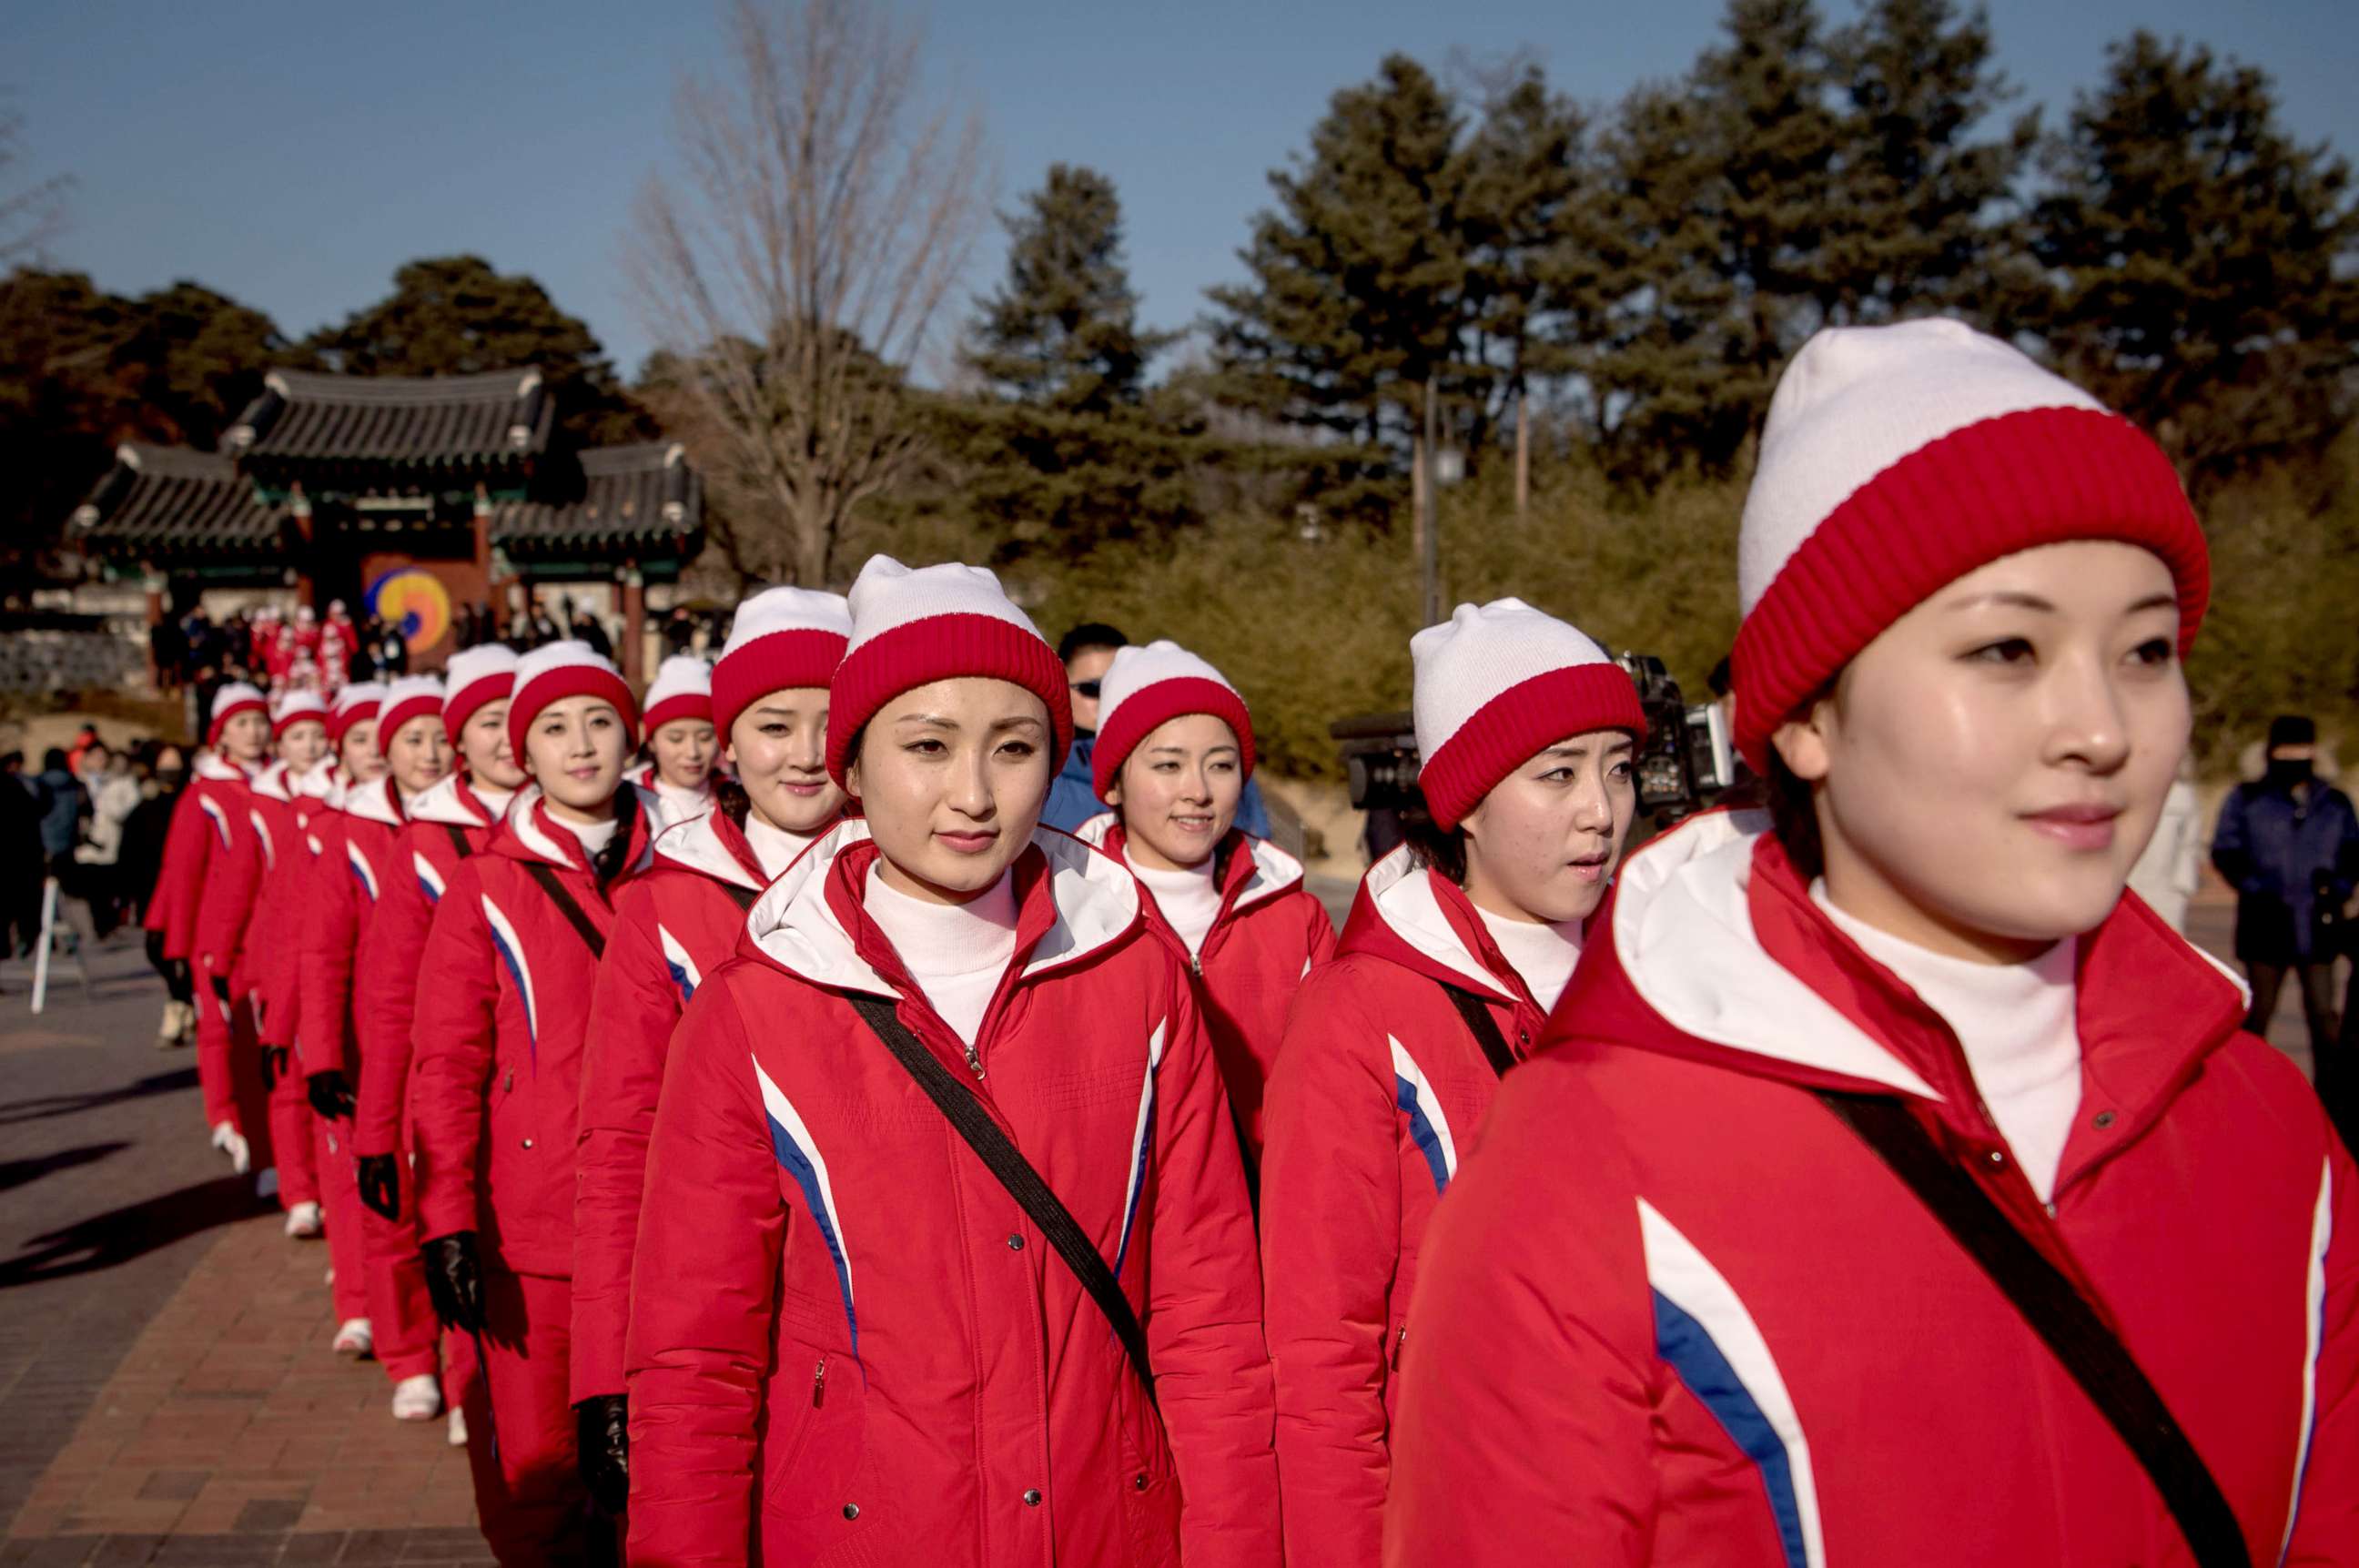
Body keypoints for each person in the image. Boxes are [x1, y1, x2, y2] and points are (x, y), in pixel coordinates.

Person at [1383, 319, 2357, 1563]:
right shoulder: (1586, 1163)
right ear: (1805, 719)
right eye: (2007, 646)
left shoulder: (2276, 1133)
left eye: (2148, 647)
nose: (2102, 725)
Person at [624, 558, 1278, 1565]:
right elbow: (698, 1358)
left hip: (1109, 1529)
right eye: (927, 745)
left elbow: (1210, 1319)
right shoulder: (756, 1007)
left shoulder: (1136, 977)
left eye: (1015, 747)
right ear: (851, 763)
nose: (972, 793)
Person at [1258, 601, 1643, 1564]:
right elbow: (1323, 1357)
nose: (1601, 809)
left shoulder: (1661, 977)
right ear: (1463, 801)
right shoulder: (1361, 1014)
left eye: (1619, 767)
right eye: (1558, 774)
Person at [570, 587, 853, 1528]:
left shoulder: (923, 888)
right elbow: (619, 1143)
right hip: (709, 1307)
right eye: (774, 725)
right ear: (726, 744)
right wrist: (606, 1368)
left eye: (830, 721)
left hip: (864, 1305)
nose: (806, 752)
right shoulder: (664, 904)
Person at [410, 641, 656, 1564]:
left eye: (598, 719)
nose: (581, 744)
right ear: (525, 749)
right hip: (534, 1226)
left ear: (630, 733)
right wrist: (446, 1220)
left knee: (655, 1463)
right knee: (539, 1464)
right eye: (553, 726)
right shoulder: (488, 881)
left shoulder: (677, 869)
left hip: (655, 1217)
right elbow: (447, 1060)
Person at [1072, 640, 1336, 1162]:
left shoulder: (1296, 919)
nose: (1197, 790)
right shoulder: (1070, 915)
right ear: (1114, 784)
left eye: (1220, 765)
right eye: (1168, 766)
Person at [352, 646, 522, 1439]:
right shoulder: (425, 842)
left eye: (517, 720)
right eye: (490, 722)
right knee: (457, 1217)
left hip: (542, 1089)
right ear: (462, 737)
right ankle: (459, 1378)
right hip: (452, 1076)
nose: (508, 739)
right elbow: (388, 999)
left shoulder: (587, 823)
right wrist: (376, 1130)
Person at [302, 677, 446, 1362]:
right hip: (375, 1042)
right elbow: (323, 951)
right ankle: (397, 1340)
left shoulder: (474, 826)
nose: (431, 753)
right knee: (378, 1185)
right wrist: (321, 1051)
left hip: (453, 1041)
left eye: (441, 737)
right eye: (412, 740)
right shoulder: (352, 831)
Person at [2212, 714, 2359, 1085]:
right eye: (2286, 749)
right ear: (2271, 752)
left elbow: (2353, 852)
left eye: (2302, 748)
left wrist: (2337, 889)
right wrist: (2255, 885)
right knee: (2258, 1014)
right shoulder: (2247, 799)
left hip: (2320, 925)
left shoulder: (2334, 802)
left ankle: (2332, 1103)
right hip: (2266, 923)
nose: (2294, 756)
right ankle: (2244, 1091)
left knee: (2325, 1018)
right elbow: (2226, 849)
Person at [247, 693, 337, 1243]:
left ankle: (330, 1198)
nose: (309, 746)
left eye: (316, 735)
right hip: (281, 958)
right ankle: (299, 1191)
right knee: (289, 1079)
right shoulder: (268, 805)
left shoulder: (339, 805)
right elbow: (259, 895)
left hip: (329, 960)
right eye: (296, 736)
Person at [1046, 622, 1273, 838]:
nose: (1199, 793)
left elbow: (1255, 836)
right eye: (1092, 688)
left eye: (1122, 685)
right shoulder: (1044, 774)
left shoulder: (1223, 760)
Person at [120, 744, 194, 1046]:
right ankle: (181, 998)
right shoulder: (145, 809)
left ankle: (179, 1008)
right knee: (156, 948)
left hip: (187, 890)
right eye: (165, 764)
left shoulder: (192, 803)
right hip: (152, 889)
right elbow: (129, 852)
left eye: (175, 764)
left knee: (187, 953)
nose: (169, 771)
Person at [632, 653, 718, 829]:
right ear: (652, 742)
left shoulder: (741, 797)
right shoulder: (628, 798)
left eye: (705, 738)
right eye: (676, 739)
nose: (692, 752)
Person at [2125, 755, 2205, 933]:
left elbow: (2190, 845)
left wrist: (2182, 887)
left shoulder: (2182, 796)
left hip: (2167, 891)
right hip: (2130, 885)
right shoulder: (2126, 790)